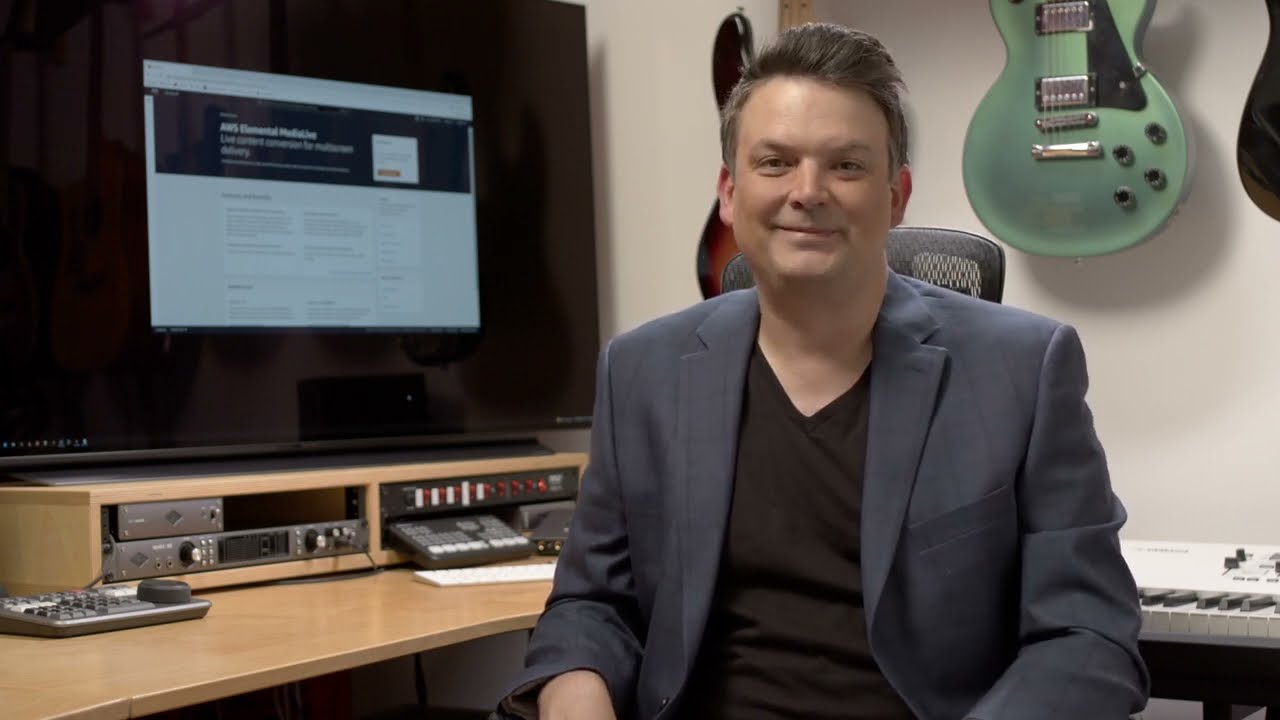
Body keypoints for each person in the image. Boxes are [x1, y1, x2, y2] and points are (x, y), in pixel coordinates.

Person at [495, 22, 1149, 720]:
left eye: (846, 166)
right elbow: (592, 605)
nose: (808, 191)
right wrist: (577, 697)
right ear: (728, 191)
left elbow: (1088, 638)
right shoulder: (642, 371)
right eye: (775, 162)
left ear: (896, 197)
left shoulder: (1023, 369)